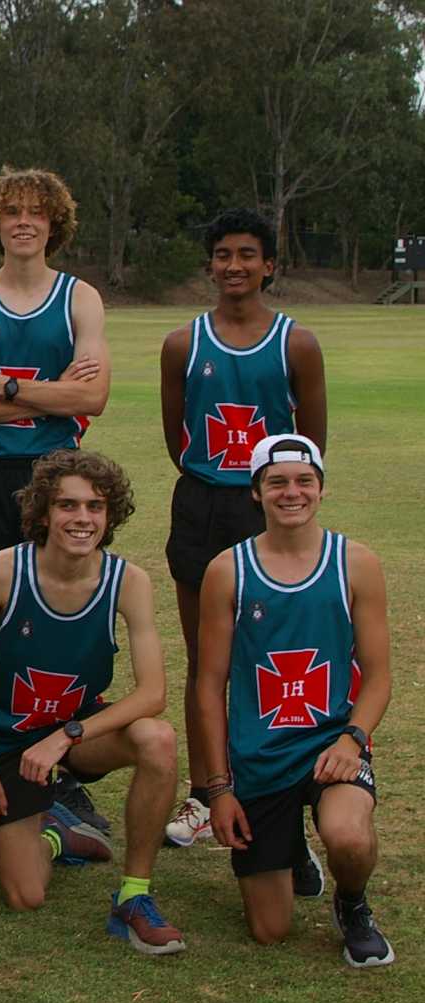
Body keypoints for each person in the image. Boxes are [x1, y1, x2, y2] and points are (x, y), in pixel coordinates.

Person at [0, 166, 111, 831]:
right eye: (12, 211)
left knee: (67, 625)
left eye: (38, 211)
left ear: (54, 224)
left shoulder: (81, 297)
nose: (25, 221)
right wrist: (47, 390)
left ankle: (62, 771)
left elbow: (92, 397)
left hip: (60, 477)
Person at [0, 450, 185, 954]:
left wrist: (68, 736)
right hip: (9, 739)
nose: (82, 519)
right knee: (25, 895)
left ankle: (134, 895)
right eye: (67, 505)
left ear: (110, 515)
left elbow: (154, 693)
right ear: (42, 512)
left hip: (77, 733)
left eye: (96, 507)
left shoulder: (128, 582)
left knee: (158, 740)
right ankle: (58, 834)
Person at [159, 209, 327, 863]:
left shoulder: (296, 343)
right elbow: (178, 439)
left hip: (268, 510)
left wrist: (272, 498)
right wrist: (215, 479)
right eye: (223, 254)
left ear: (270, 265)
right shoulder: (182, 343)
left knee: (269, 656)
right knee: (207, 659)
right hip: (201, 505)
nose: (235, 266)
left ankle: (274, 788)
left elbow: (309, 443)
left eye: (248, 255)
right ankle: (206, 793)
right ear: (210, 265)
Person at [194, 436, 393, 967]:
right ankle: (289, 849)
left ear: (321, 489)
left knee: (348, 838)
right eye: (277, 482)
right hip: (259, 756)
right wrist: (218, 789)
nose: (292, 492)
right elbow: (209, 687)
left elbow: (377, 677)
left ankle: (352, 903)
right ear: (256, 492)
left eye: (304, 481)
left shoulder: (356, 562)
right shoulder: (227, 571)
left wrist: (353, 738)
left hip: (332, 742)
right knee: (270, 929)